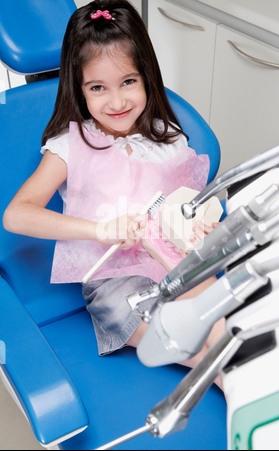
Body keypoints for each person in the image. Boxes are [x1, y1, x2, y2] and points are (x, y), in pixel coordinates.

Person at [3, 0, 224, 382]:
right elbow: (16, 214)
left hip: (178, 265)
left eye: (128, 82)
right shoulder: (71, 146)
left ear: (147, 77)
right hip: (118, 285)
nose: (117, 101)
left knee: (228, 330)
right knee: (208, 355)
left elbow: (193, 203)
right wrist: (100, 230)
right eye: (98, 88)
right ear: (79, 88)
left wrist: (204, 224)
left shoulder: (168, 137)